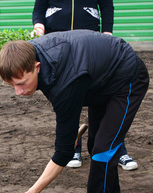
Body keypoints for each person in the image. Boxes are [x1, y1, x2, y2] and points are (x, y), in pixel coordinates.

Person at [0, 30, 149, 193]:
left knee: (102, 153)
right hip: (96, 80)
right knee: (94, 145)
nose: (18, 92)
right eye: (12, 85)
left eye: (22, 83)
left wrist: (32, 192)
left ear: (36, 66)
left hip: (125, 79)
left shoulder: (65, 83)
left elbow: (64, 152)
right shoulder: (28, 53)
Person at [30, 0, 138, 170]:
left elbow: (106, 4)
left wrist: (107, 31)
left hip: (89, 40)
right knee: (69, 98)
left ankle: (117, 149)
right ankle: (73, 149)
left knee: (105, 95)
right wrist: (39, 25)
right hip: (57, 41)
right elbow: (40, 5)